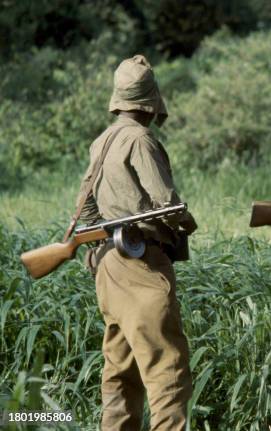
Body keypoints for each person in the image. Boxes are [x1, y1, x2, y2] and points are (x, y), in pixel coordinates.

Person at [76, 55, 197, 430]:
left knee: (120, 372)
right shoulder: (141, 140)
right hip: (141, 264)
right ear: (151, 99)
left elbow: (86, 210)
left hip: (109, 264)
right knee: (167, 372)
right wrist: (186, 223)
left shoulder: (103, 140)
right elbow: (167, 204)